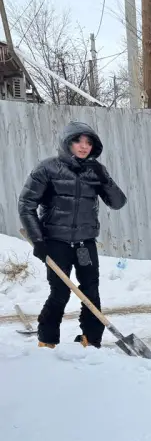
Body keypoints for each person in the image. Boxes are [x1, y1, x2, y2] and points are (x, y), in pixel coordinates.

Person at [18, 121, 128, 348]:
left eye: (88, 142)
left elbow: (118, 203)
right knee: (59, 293)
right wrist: (38, 240)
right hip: (56, 242)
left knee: (91, 291)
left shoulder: (96, 171)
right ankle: (47, 340)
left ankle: (91, 339)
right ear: (67, 142)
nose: (83, 146)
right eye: (78, 141)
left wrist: (104, 179)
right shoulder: (47, 168)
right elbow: (26, 204)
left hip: (85, 243)